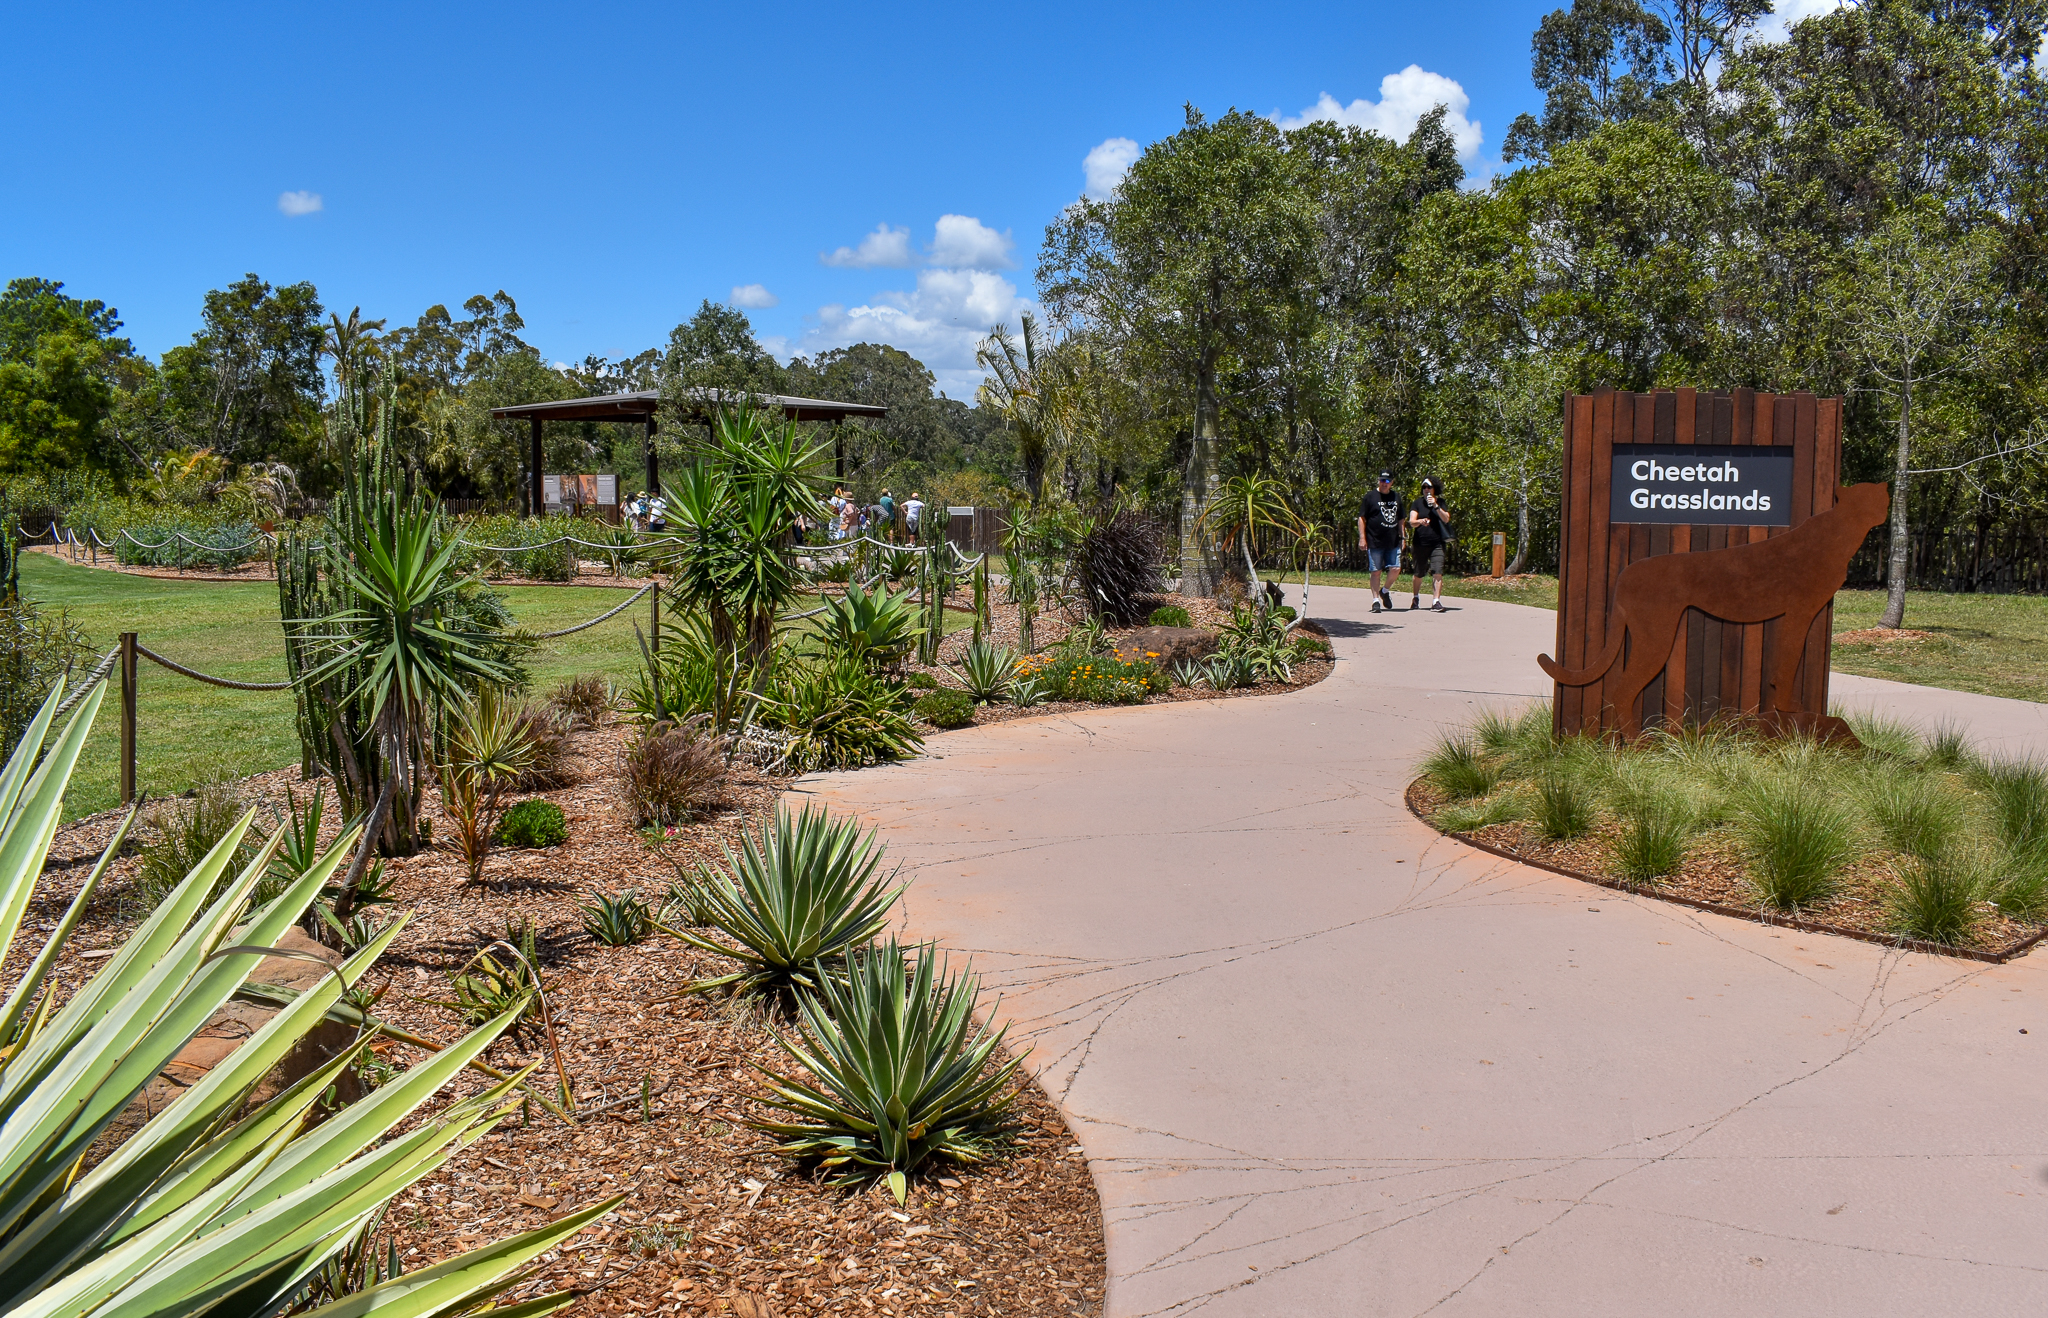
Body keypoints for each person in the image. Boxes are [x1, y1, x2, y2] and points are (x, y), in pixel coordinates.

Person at [1356, 470, 1404, 613]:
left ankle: (1385, 590)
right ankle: (1375, 600)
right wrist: (1362, 538)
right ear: (1378, 481)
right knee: (1376, 571)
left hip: (1393, 540)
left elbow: (1401, 519)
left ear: (1392, 482)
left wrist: (1403, 537)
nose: (1384, 483)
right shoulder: (1370, 497)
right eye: (1382, 480)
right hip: (1374, 540)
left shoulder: (1396, 497)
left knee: (1395, 568)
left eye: (1387, 481)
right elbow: (1361, 518)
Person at [1405, 476, 1453, 612]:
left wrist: (1436, 506)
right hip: (1420, 543)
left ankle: (1436, 601)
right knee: (1419, 573)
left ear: (1434, 489)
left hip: (1437, 543)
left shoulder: (1440, 502)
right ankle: (1415, 598)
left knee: (1437, 571)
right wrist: (1420, 522)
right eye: (1424, 487)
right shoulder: (1417, 503)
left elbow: (1446, 519)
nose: (1426, 490)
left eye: (1429, 487)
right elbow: (1411, 522)